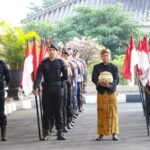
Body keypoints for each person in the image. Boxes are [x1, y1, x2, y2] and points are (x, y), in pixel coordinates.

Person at [33, 43, 68, 140]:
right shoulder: (43, 63)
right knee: (47, 112)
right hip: (47, 90)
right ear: (48, 51)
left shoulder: (61, 63)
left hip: (57, 90)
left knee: (58, 111)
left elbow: (66, 77)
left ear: (57, 52)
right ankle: (45, 132)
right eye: (50, 50)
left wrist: (57, 81)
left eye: (53, 50)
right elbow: (39, 76)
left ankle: (59, 132)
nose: (51, 52)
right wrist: (36, 86)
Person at [92, 48, 119, 141]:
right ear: (101, 57)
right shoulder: (97, 67)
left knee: (113, 112)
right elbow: (94, 78)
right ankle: (101, 134)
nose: (105, 57)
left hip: (112, 92)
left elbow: (116, 79)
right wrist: (100, 82)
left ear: (110, 56)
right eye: (103, 56)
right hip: (101, 92)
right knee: (101, 112)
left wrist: (110, 85)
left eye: (107, 55)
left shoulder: (114, 67)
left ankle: (114, 133)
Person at [0, 60, 11, 141]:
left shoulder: (2, 64)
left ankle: (3, 134)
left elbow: (8, 78)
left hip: (0, 90)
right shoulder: (2, 63)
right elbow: (8, 79)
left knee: (1, 112)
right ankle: (3, 135)